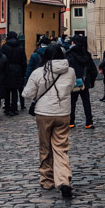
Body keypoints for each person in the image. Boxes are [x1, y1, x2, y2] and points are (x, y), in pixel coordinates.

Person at [22, 44, 76, 198]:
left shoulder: (39, 72)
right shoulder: (70, 71)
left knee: (45, 147)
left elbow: (27, 93)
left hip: (43, 114)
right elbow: (71, 87)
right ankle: (64, 179)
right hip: (63, 113)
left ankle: (47, 179)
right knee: (61, 147)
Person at [66, 34, 98, 129]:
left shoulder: (69, 54)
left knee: (72, 102)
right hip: (84, 81)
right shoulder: (86, 54)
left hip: (73, 82)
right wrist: (91, 81)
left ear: (73, 42)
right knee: (86, 102)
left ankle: (71, 122)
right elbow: (93, 70)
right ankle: (89, 122)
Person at [1, 31, 27, 115]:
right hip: (17, 70)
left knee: (7, 90)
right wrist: (23, 72)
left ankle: (7, 108)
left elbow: (2, 59)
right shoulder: (20, 47)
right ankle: (14, 108)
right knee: (15, 90)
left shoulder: (4, 47)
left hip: (7, 70)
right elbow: (24, 61)